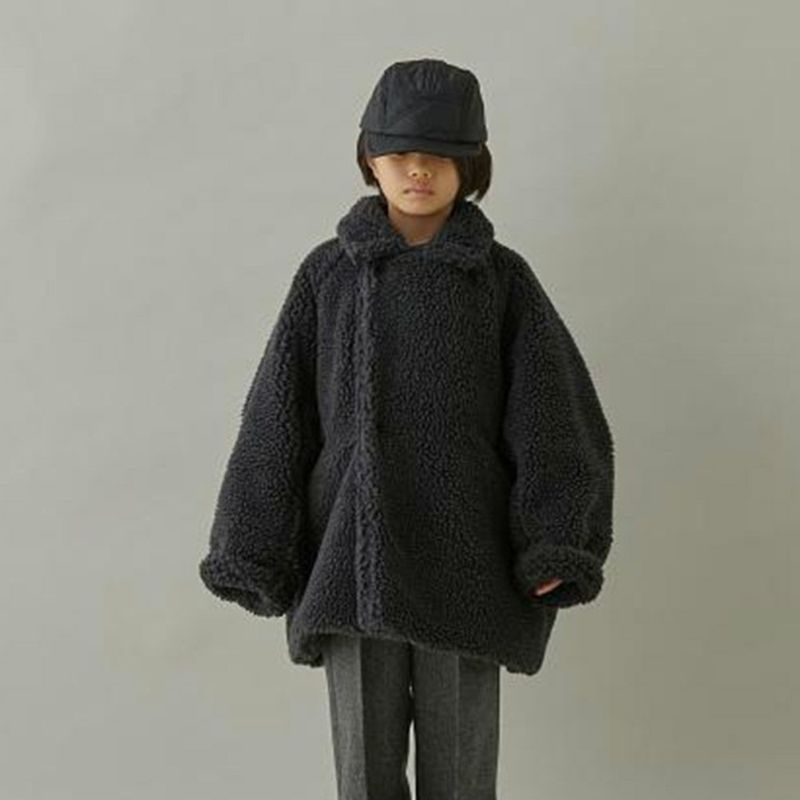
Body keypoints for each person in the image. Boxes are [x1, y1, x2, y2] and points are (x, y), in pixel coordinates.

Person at [198, 57, 615, 800]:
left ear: (471, 165)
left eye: (439, 156)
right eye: (400, 154)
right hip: (350, 561)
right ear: (370, 158)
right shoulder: (328, 276)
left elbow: (554, 416)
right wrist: (253, 546)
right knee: (363, 777)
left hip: (468, 561)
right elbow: (277, 415)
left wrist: (558, 539)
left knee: (462, 780)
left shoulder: (501, 281)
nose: (418, 171)